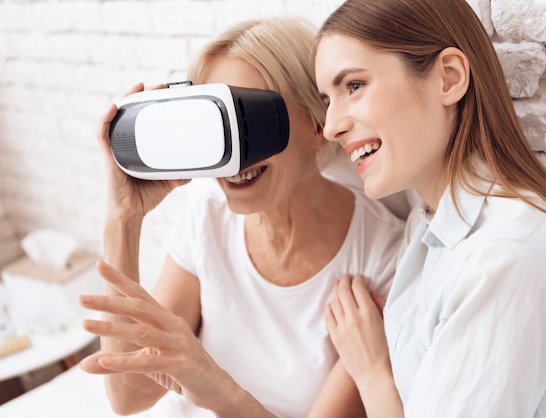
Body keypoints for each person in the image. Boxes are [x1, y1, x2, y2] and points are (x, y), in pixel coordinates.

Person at [78, 16, 406, 418]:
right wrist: (122, 219)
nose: (233, 159)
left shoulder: (382, 258)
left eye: (248, 119)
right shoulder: (207, 219)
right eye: (217, 124)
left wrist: (215, 388)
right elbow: (129, 398)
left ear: (319, 124)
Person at [314, 0, 546, 417]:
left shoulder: (508, 259)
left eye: (354, 86)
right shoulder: (431, 225)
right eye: (327, 99)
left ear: (448, 78)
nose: (332, 126)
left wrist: (373, 373)